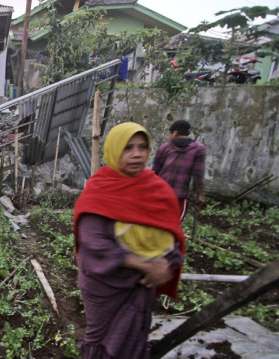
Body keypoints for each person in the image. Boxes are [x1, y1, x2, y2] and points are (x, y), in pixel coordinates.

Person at [73, 122, 185, 359]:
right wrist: (146, 266)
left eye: (142, 147)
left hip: (142, 282)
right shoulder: (100, 189)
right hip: (105, 283)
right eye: (128, 148)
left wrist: (167, 264)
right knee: (101, 338)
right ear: (114, 150)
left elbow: (171, 230)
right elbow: (94, 242)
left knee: (135, 333)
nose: (137, 154)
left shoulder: (157, 189)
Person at [152, 120, 206, 222]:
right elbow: (198, 176)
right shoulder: (198, 149)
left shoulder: (165, 147)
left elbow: (155, 172)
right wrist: (199, 195)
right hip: (179, 197)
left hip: (160, 194)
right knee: (174, 226)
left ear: (175, 133)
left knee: (156, 222)